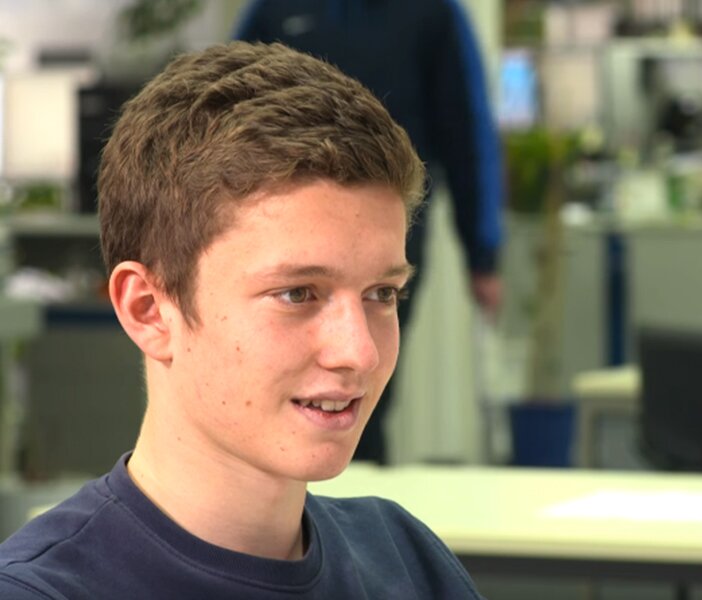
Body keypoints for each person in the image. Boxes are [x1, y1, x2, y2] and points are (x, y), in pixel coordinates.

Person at [0, 41, 483, 599]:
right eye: (298, 294)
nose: (360, 352)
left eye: (382, 293)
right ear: (149, 310)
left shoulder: (407, 561)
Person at [234, 0, 505, 464]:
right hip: (281, 239)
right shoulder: (273, 8)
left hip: (386, 239)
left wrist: (483, 256)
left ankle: (349, 498)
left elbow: (467, 134)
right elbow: (224, 114)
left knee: (360, 386)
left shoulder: (432, 12)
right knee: (274, 388)